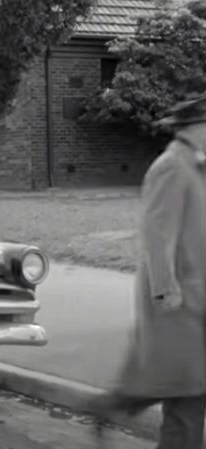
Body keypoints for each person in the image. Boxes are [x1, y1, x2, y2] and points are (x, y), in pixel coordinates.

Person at [87, 95, 206, 449]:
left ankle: (110, 405)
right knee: (188, 392)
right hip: (177, 296)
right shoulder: (171, 166)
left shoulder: (197, 166)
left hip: (197, 296)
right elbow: (158, 234)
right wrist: (166, 289)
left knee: (180, 384)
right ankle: (113, 404)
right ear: (194, 128)